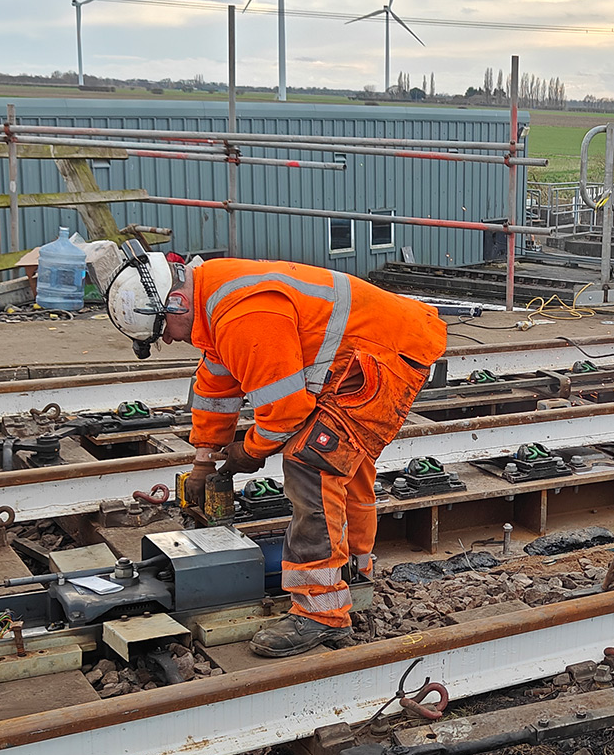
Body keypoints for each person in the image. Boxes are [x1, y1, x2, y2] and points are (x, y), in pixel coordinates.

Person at [105, 252, 447, 657]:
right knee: (341, 459)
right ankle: (355, 568)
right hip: (370, 350)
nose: (168, 340)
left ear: (176, 302)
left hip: (387, 355)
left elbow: (285, 413)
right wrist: (202, 460)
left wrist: (246, 453)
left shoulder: (240, 314)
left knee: (312, 462)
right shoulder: (213, 301)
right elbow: (217, 387)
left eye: (163, 330)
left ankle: (321, 613)